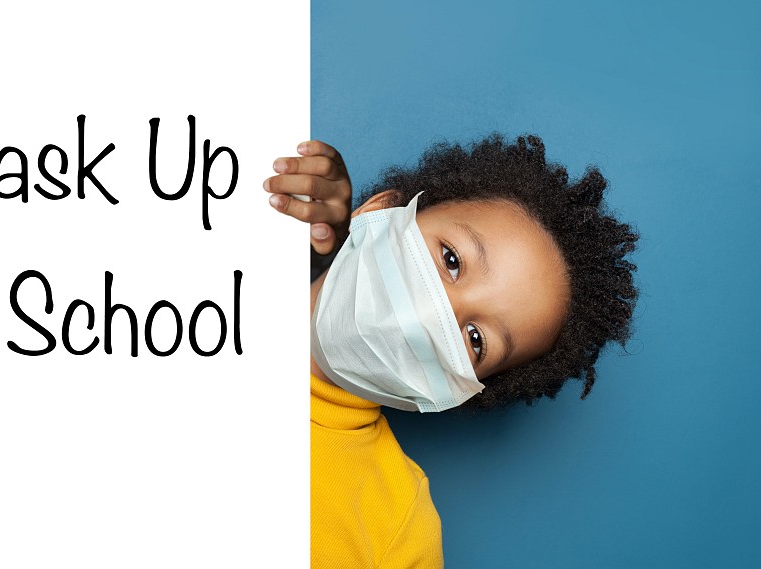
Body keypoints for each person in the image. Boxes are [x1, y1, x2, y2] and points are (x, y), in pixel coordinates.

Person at [264, 135, 638, 568]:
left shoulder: (395, 528)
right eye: (452, 260)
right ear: (380, 211)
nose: (433, 313)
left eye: (475, 339)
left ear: (463, 387)